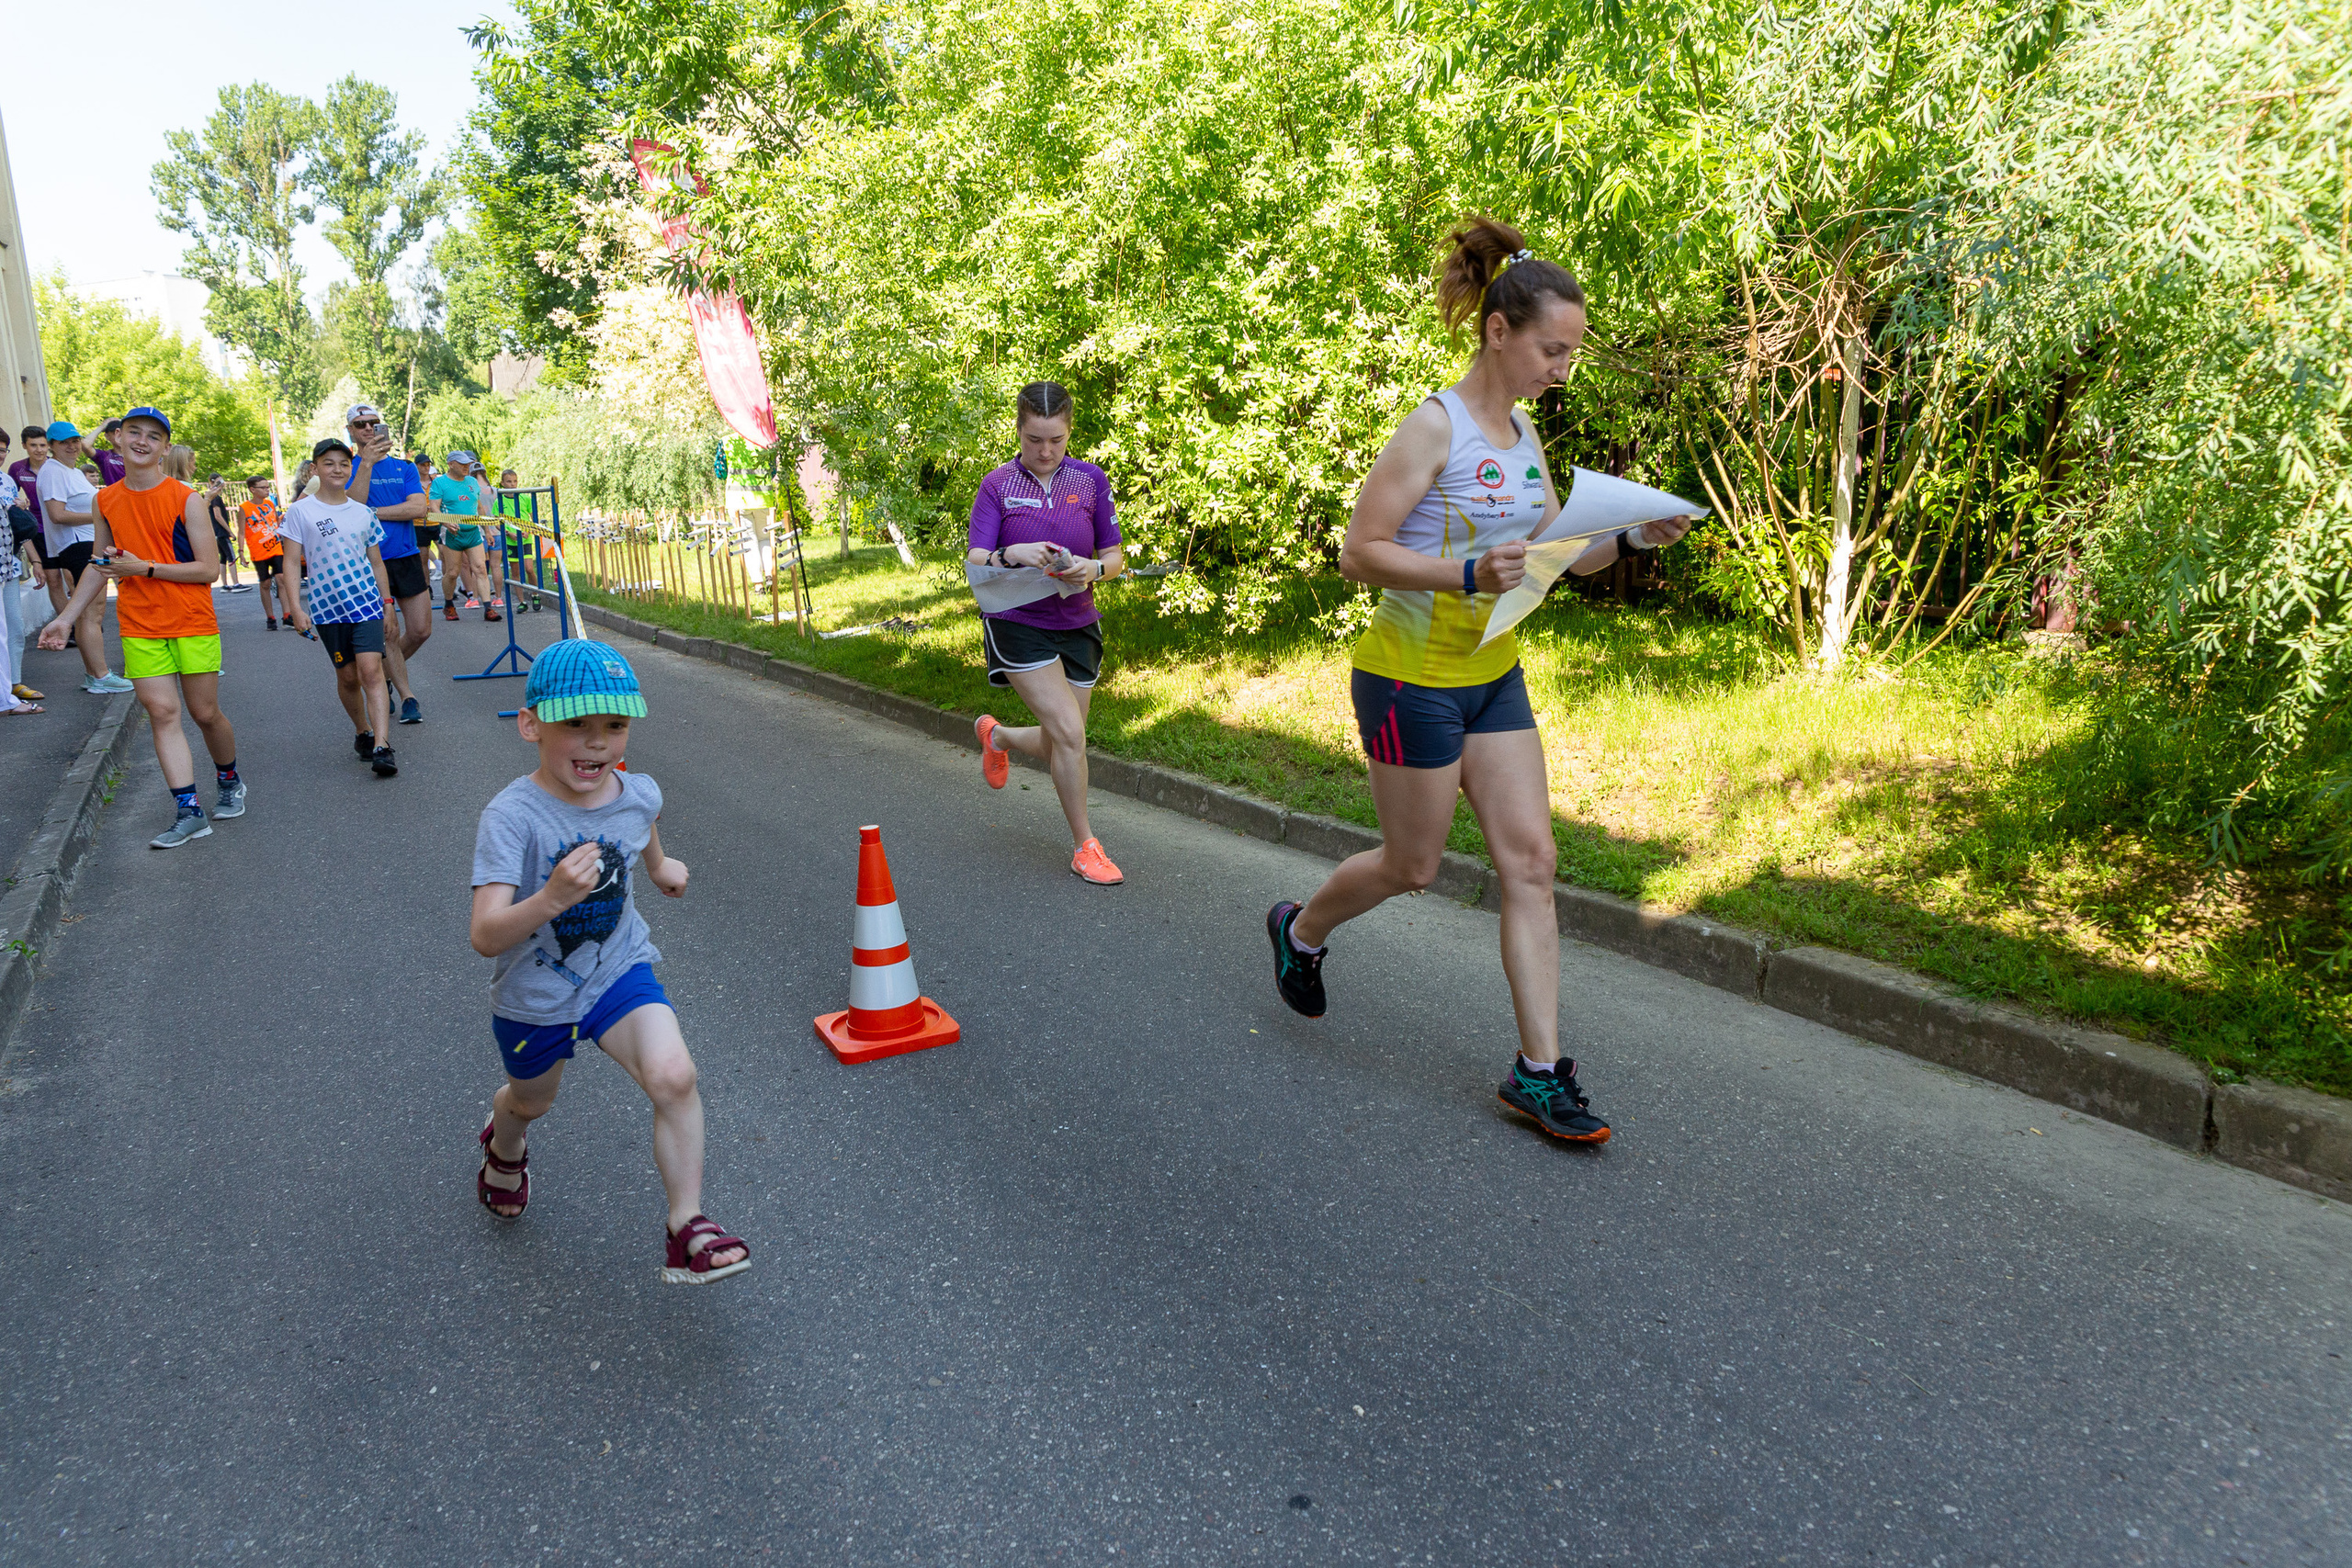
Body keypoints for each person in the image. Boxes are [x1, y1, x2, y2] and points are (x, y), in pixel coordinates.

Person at [1263, 219, 1697, 1146]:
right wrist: (1465, 574)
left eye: (1571, 352)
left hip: (1492, 675)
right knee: (1413, 867)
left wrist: (1626, 537)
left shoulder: (1523, 431)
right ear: (1499, 333)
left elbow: (1552, 556)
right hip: (1407, 680)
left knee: (1531, 865)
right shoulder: (1434, 427)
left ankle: (1537, 1073)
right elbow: (1357, 553)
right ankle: (1300, 930)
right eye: (1552, 348)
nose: (1562, 367)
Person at [469, 637, 751, 1285]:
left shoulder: (634, 789)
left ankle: (688, 1225)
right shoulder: (511, 817)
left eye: (614, 726)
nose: (597, 743)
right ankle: (503, 1141)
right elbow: (486, 934)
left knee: (674, 1075)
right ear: (531, 723)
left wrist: (659, 867)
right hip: (533, 998)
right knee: (533, 1100)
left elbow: (640, 814)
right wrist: (550, 898)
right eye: (576, 725)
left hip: (616, 971)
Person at [39, 407, 242, 847]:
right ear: (118, 439)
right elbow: (100, 563)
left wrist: (145, 568)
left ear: (164, 448)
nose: (142, 441)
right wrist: (65, 618)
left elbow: (208, 569)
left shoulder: (185, 498)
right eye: (134, 432)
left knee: (205, 713)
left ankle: (229, 780)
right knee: (163, 713)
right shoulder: (105, 500)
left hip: (191, 621)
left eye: (154, 436)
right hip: (139, 623)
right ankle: (189, 811)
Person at [965, 381, 1128, 886]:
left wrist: (1090, 571)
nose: (1045, 450)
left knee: (1063, 743)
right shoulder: (996, 486)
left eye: (1055, 439)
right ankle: (1086, 846)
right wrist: (1009, 554)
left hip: (1078, 622)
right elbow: (975, 559)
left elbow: (1115, 559)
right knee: (1071, 734)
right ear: (1019, 430)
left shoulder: (1091, 481)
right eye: (1034, 438)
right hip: (1018, 624)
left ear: (1069, 431)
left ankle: (998, 736)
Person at [277, 436, 398, 776]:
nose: (337, 469)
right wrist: (295, 609)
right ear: (314, 469)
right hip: (328, 608)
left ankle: (382, 746)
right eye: (329, 463)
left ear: (351, 469)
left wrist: (388, 604)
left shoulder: (362, 513)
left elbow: (376, 563)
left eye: (344, 463)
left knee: (371, 671)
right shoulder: (301, 511)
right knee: (347, 678)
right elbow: (289, 562)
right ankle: (363, 731)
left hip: (367, 604)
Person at [344, 404, 432, 725]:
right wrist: (365, 463)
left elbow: (418, 508)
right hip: (369, 562)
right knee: (390, 634)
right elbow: (350, 505)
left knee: (421, 630)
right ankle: (409, 697)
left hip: (405, 556)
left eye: (374, 423)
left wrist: (373, 512)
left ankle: (382, 676)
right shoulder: (348, 467)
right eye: (360, 424)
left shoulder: (405, 467)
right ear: (351, 431)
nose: (368, 428)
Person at [35, 422, 133, 694]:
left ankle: (95, 675)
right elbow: (58, 515)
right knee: (92, 612)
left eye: (75, 440)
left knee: (92, 612)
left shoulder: (72, 471)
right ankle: (100, 677)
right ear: (52, 445)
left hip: (87, 542)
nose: (72, 445)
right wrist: (102, 517)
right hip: (77, 545)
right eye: (64, 441)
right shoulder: (53, 471)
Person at [431, 450, 492, 620]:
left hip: (473, 532)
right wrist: (446, 523)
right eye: (462, 464)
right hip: (452, 533)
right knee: (452, 572)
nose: (467, 467)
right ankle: (449, 604)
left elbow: (479, 507)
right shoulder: (440, 483)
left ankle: (488, 608)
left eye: (468, 464)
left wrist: (487, 530)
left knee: (480, 568)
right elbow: (434, 508)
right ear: (451, 464)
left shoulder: (472, 481)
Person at [240, 476, 293, 629]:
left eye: (267, 487)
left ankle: (287, 615)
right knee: (265, 583)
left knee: (282, 579)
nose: (266, 490)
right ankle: (270, 617)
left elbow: (276, 523)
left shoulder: (270, 504)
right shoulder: (245, 508)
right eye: (263, 488)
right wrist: (241, 551)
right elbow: (242, 532)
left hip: (275, 547)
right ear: (253, 489)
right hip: (259, 551)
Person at [204, 474, 248, 592]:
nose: (223, 483)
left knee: (223, 558)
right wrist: (230, 531)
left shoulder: (213, 497)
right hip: (221, 532)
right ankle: (236, 584)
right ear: (214, 482)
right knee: (231, 556)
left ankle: (224, 585)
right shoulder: (215, 498)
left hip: (216, 532)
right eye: (220, 481)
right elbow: (218, 516)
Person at [91, 419, 127, 487]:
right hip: (114, 496)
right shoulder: (104, 456)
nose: (119, 436)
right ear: (107, 436)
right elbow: (85, 445)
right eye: (114, 433)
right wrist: (101, 427)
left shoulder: (137, 454)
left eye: (121, 433)